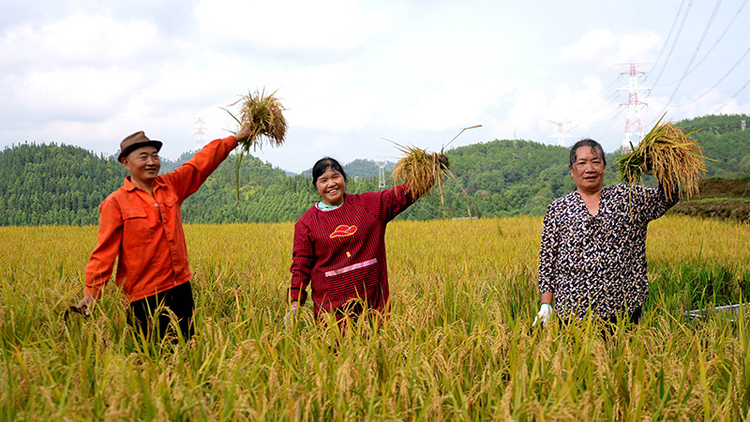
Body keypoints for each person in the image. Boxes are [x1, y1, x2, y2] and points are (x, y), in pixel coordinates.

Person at [76, 123, 253, 341]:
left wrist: (236, 138)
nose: (151, 162)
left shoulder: (171, 185)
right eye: (143, 157)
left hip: (181, 289)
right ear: (126, 163)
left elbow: (201, 164)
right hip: (143, 297)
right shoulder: (116, 203)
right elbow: (103, 253)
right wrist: (92, 294)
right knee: (151, 362)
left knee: (186, 355)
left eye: (155, 156)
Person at [534, 139, 679, 327]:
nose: (590, 168)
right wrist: (546, 305)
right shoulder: (558, 209)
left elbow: (667, 198)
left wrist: (661, 169)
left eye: (596, 162)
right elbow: (547, 261)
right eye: (582, 163)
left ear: (604, 166)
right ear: (571, 170)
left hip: (624, 311)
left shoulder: (628, 198)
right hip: (572, 314)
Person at [285, 157, 438, 328]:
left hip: (373, 309)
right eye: (323, 180)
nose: (331, 183)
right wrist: (294, 304)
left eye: (335, 176)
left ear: (344, 178)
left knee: (377, 352)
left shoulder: (369, 206)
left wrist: (429, 171)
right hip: (332, 316)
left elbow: (402, 195)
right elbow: (300, 266)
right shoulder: (307, 224)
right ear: (316, 186)